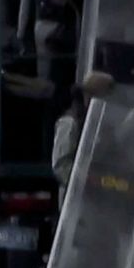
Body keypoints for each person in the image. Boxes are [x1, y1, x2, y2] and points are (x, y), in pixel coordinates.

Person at [51, 72, 115, 208]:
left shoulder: (96, 123)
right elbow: (61, 166)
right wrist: (85, 181)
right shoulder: (70, 123)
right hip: (76, 199)